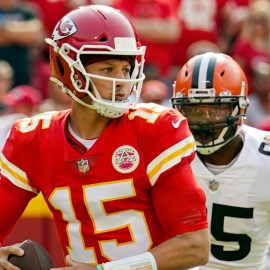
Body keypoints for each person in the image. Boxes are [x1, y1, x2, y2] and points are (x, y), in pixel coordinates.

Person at [0, 5, 209, 270]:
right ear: (67, 68)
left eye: (125, 69)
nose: (121, 81)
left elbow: (194, 246)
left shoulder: (155, 129)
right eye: (108, 69)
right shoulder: (33, 139)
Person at [171, 52, 270, 269]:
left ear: (240, 108)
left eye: (216, 110)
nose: (205, 122)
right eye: (195, 111)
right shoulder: (166, 153)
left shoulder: (266, 161)